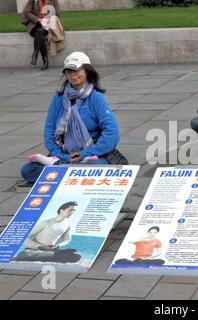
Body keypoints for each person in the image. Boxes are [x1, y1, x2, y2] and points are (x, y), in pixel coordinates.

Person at [20, 51, 127, 184]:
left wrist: (84, 154)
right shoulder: (58, 99)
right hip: (64, 153)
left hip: (92, 152)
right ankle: (67, 169)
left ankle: (61, 170)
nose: (73, 74)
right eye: (69, 71)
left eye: (77, 70)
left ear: (87, 71)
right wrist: (61, 155)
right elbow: (49, 129)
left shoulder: (96, 98)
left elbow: (112, 132)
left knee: (94, 167)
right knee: (28, 170)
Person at [14, 201, 81, 263]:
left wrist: (58, 245)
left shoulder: (68, 225)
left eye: (74, 210)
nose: (72, 212)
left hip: (51, 249)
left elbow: (67, 240)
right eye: (70, 210)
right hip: (34, 250)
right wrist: (40, 246)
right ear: (61, 210)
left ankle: (52, 255)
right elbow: (25, 238)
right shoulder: (46, 223)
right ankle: (54, 255)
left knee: (77, 255)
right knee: (22, 255)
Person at [21, 0, 60, 70]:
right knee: (40, 32)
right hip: (35, 23)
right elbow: (27, 11)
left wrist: (47, 19)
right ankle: (45, 60)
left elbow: (56, 13)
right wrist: (37, 19)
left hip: (47, 24)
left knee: (40, 31)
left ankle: (35, 54)